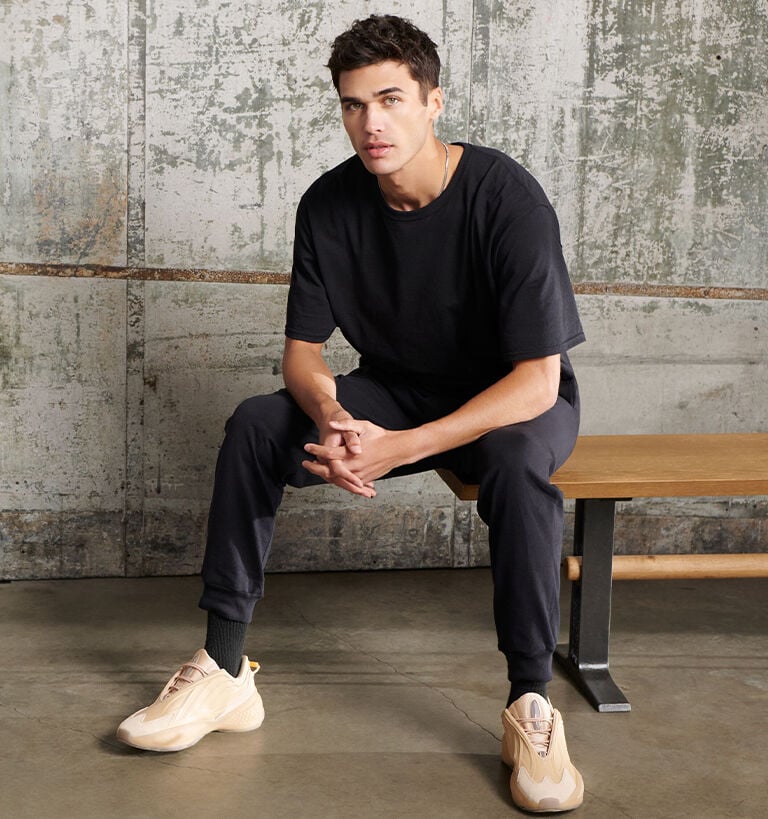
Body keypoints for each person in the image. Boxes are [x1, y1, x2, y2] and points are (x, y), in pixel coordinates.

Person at [117, 14, 586, 813]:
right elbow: (301, 354)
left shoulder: (506, 198)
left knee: (512, 463)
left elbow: (538, 382)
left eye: (391, 99)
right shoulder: (330, 205)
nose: (371, 123)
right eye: (352, 104)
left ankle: (530, 705)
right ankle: (225, 669)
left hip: (508, 397)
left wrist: (403, 444)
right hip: (392, 387)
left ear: (434, 102)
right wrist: (334, 411)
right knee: (257, 425)